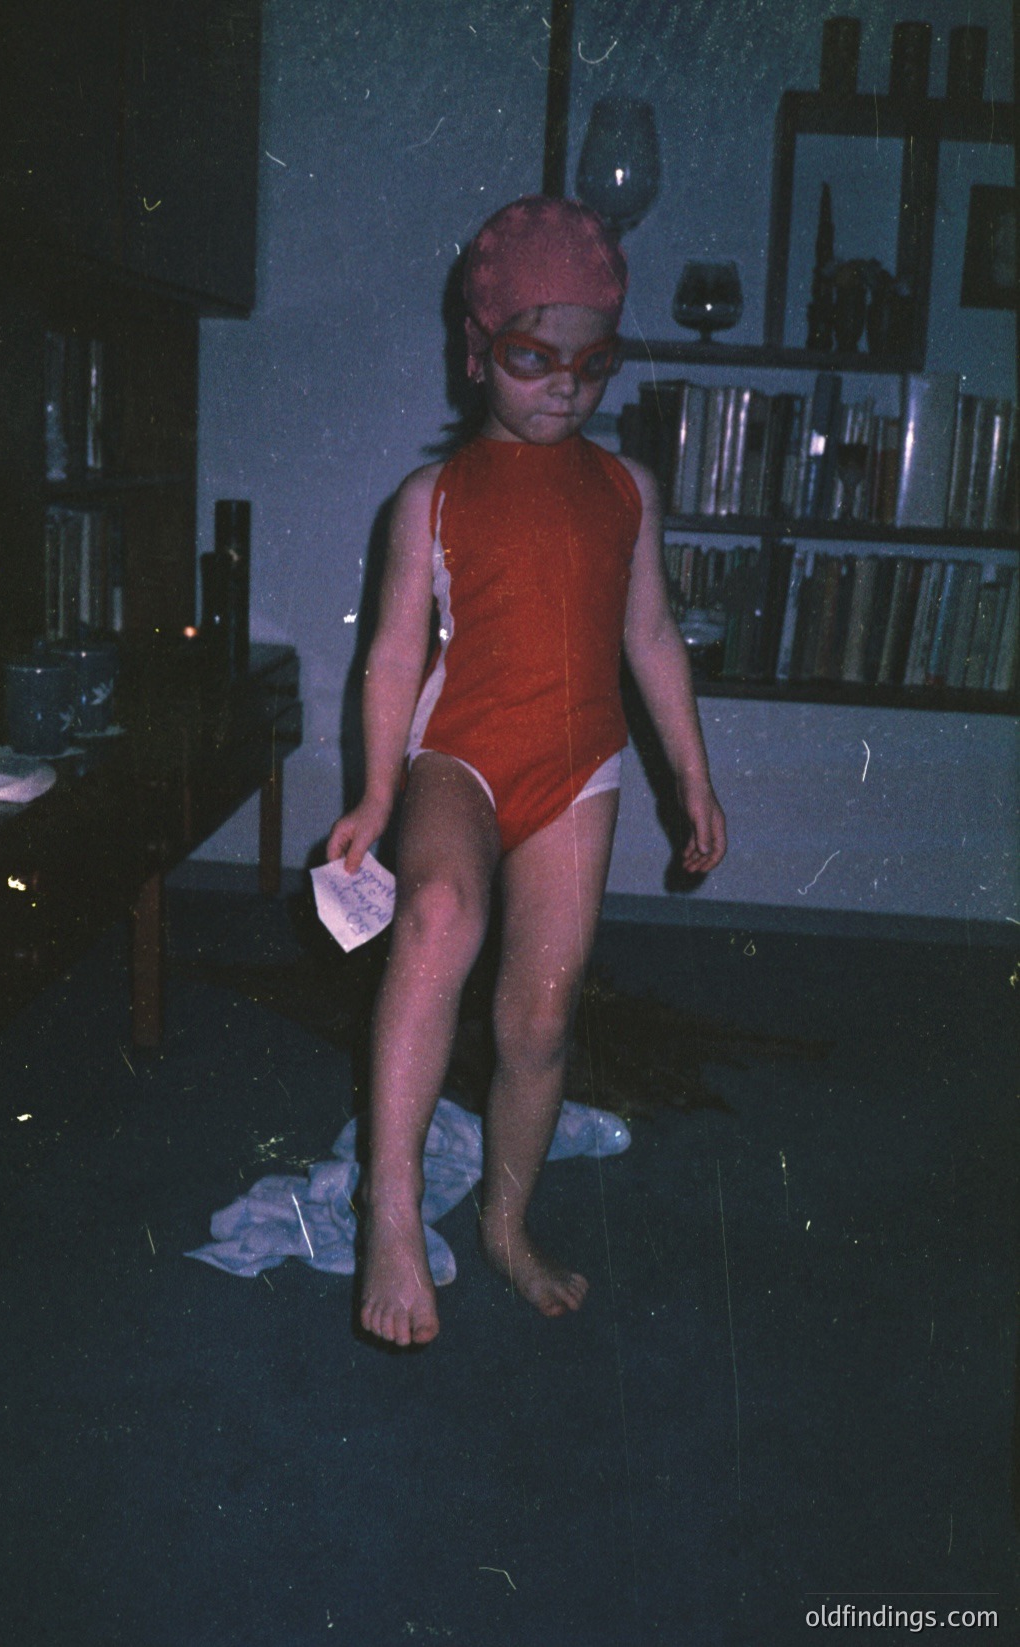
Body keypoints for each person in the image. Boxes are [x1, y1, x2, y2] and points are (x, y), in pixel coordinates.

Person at [327, 195, 726, 1347]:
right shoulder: (431, 498)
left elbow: (648, 638)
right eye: (530, 357)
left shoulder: (627, 493)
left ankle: (504, 1222)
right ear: (475, 352)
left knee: (540, 1024)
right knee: (438, 913)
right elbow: (394, 653)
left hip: (580, 768)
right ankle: (390, 1211)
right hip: (462, 754)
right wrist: (373, 792)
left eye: (590, 365)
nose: (562, 386)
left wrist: (688, 779)